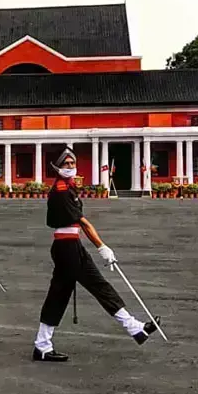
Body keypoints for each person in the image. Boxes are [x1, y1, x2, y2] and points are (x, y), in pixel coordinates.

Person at [34, 147, 160, 362]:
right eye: (66, 164)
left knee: (58, 295)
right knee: (98, 285)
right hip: (68, 248)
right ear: (58, 167)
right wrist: (102, 247)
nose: (70, 167)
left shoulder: (66, 188)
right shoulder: (62, 190)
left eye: (73, 164)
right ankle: (134, 328)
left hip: (68, 246)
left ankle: (42, 345)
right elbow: (83, 222)